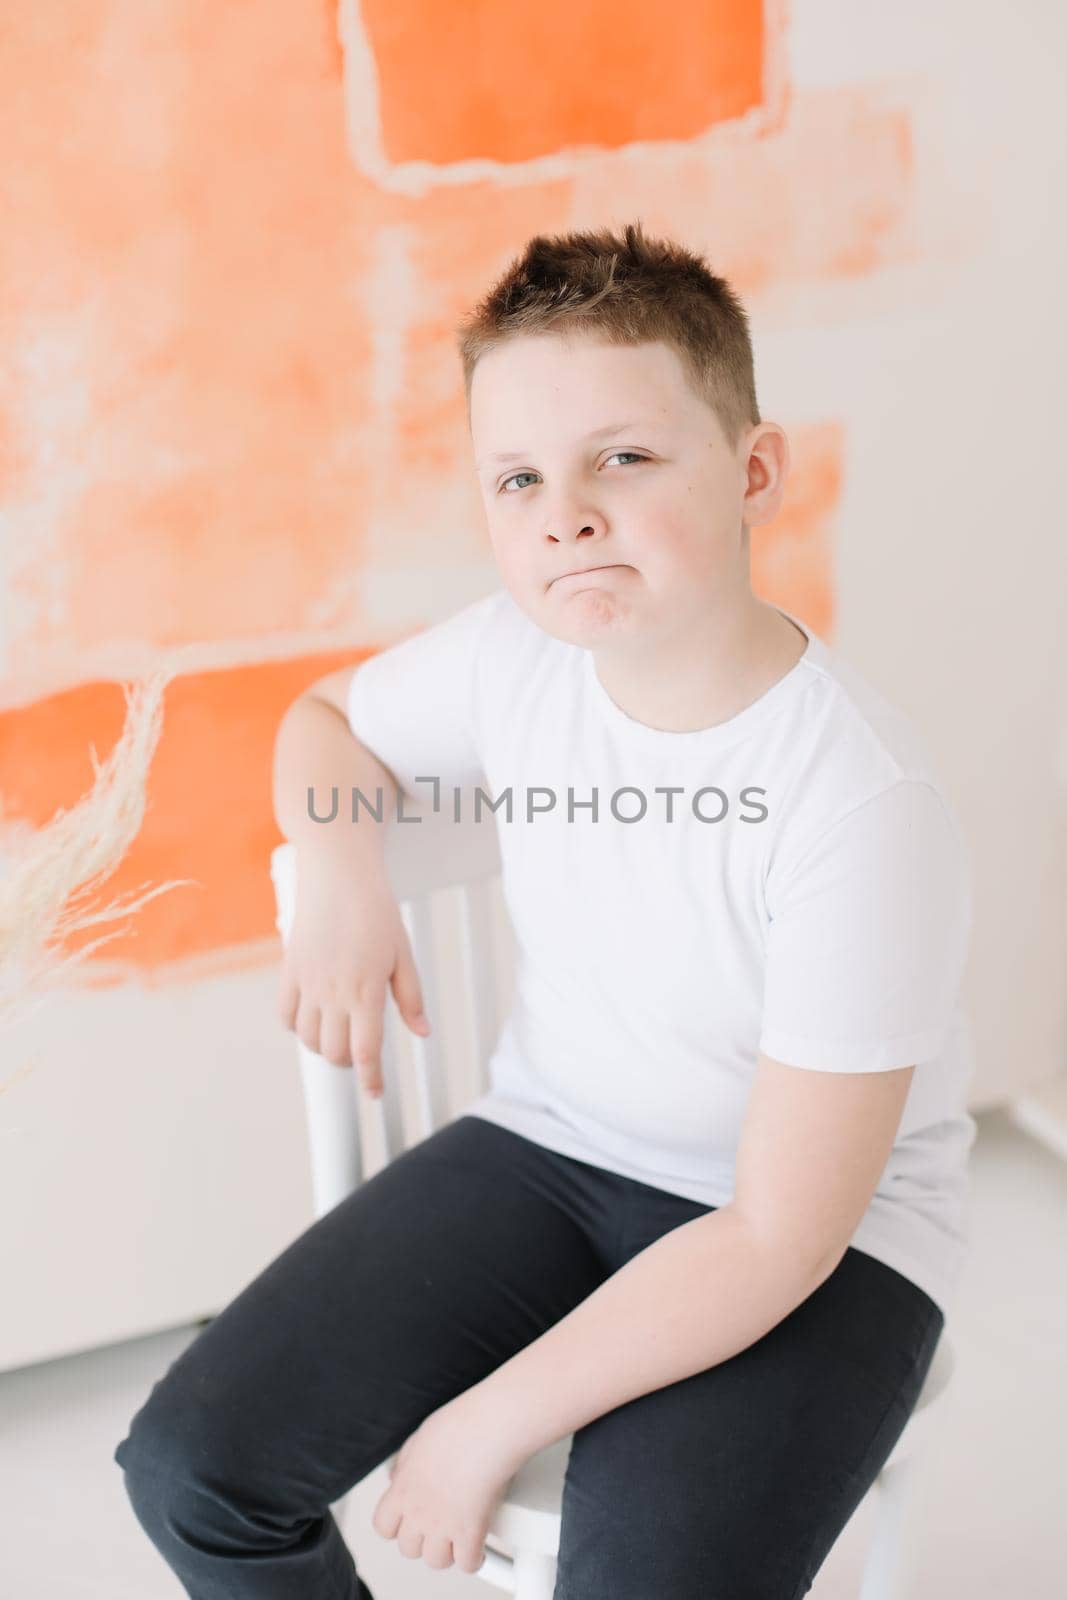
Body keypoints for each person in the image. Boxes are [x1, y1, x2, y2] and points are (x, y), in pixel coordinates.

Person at [114, 220, 975, 1599]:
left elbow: (775, 1234)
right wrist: (338, 872)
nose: (564, 513)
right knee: (195, 1473)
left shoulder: (858, 802)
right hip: (558, 1150)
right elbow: (327, 719)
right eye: (515, 478)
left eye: (622, 460)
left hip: (819, 1240)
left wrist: (483, 1425)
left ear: (754, 472)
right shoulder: (518, 656)